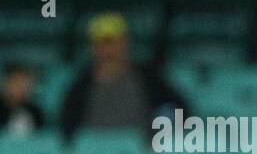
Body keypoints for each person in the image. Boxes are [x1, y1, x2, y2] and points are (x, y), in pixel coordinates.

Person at [58, 13, 186, 141]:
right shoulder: (80, 85)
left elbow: (179, 109)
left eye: (110, 42)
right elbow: (66, 124)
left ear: (125, 43)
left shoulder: (148, 78)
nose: (105, 50)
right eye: (98, 43)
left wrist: (158, 128)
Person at [0, 62, 45, 136]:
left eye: (24, 83)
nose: (20, 87)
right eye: (15, 82)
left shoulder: (36, 112)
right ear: (5, 84)